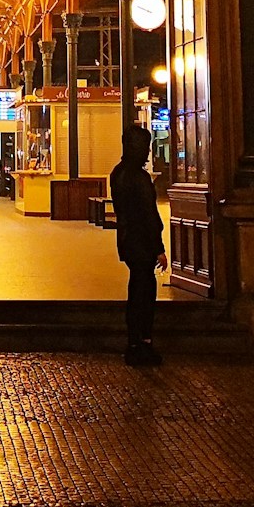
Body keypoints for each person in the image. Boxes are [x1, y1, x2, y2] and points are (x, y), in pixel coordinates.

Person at [110, 125, 166, 366]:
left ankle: (134, 341)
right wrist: (159, 248)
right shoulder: (140, 178)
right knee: (145, 293)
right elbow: (149, 215)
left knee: (135, 290)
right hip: (142, 242)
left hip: (127, 240)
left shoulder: (117, 172)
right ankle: (143, 342)